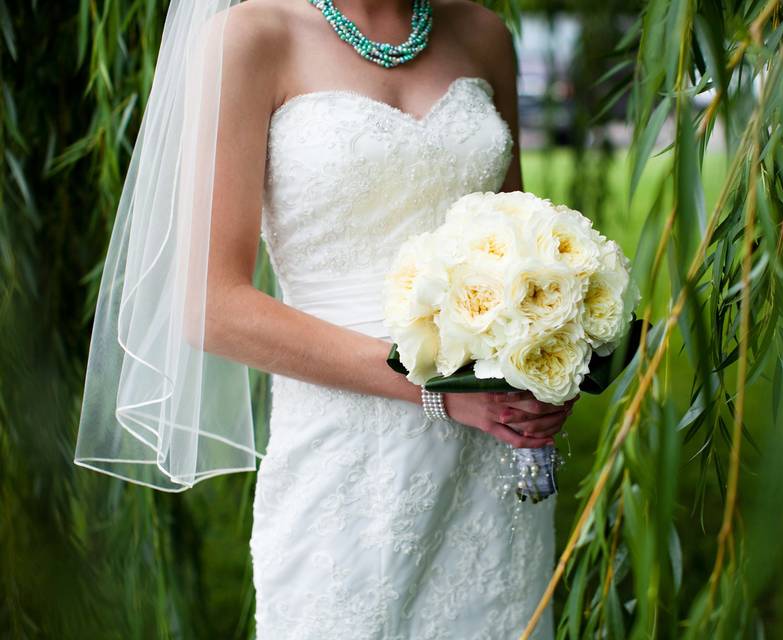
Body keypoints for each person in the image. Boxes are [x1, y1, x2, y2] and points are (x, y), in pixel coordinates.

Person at [76, 0, 577, 637]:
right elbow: (210, 305)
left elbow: (517, 246)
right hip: (342, 461)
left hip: (492, 458)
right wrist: (437, 393)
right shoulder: (253, 38)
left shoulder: (483, 34)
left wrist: (547, 365)